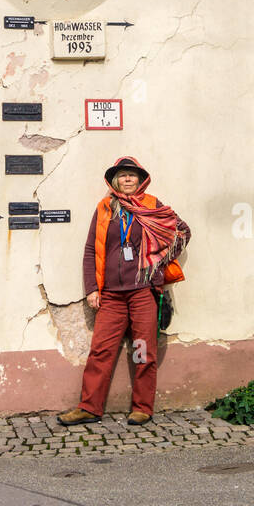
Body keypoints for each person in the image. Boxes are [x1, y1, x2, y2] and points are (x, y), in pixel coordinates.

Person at [58, 156, 191, 427]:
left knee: (142, 350)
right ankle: (89, 407)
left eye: (132, 175)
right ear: (114, 180)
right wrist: (92, 289)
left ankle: (142, 407)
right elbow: (90, 251)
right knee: (100, 351)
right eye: (123, 175)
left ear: (141, 180)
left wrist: (159, 261)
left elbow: (183, 231)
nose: (128, 179)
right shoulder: (105, 208)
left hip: (143, 292)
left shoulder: (153, 205)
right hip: (112, 295)